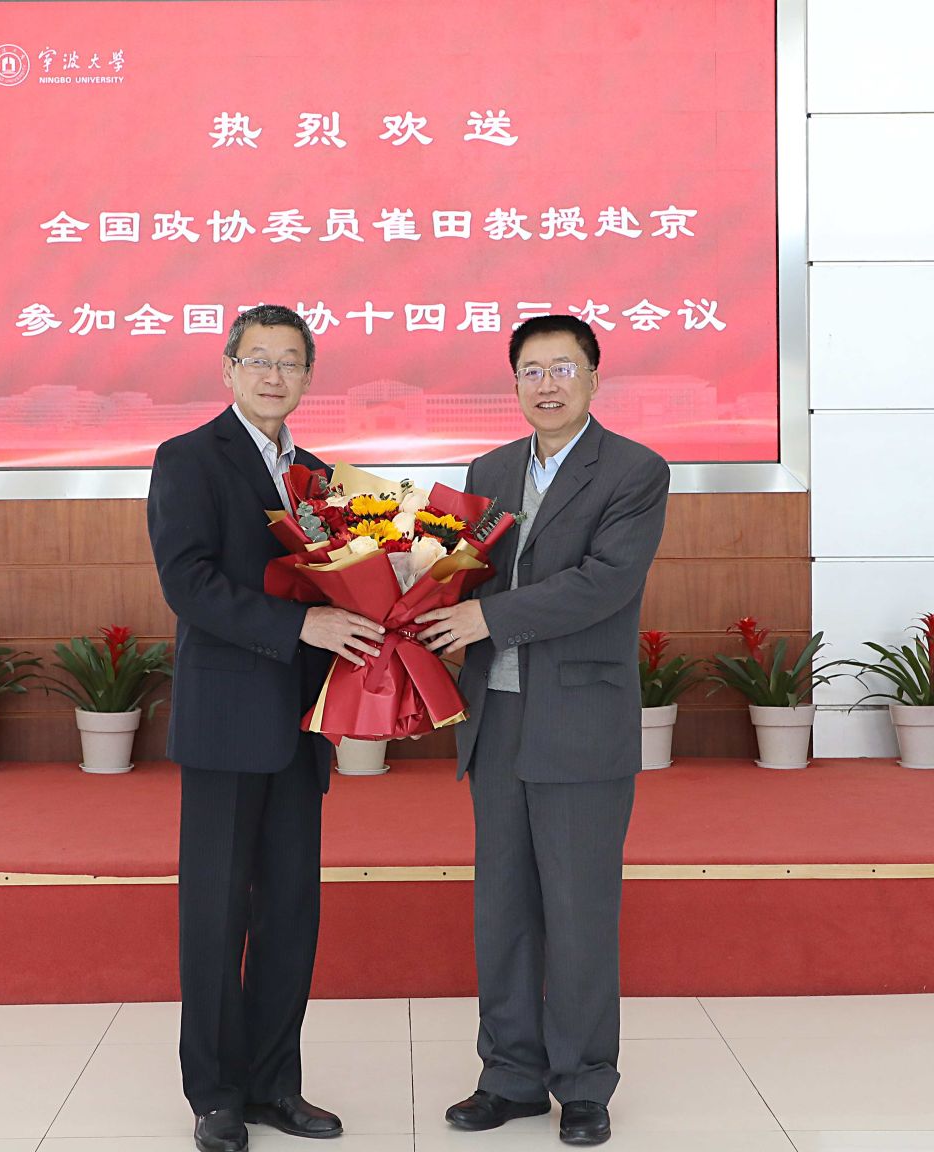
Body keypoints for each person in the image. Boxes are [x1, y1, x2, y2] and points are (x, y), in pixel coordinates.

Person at [416, 314, 670, 1147]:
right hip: (497, 717)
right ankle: (511, 1076)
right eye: (532, 370)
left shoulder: (635, 470)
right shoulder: (488, 471)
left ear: (594, 378)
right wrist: (411, 594)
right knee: (504, 910)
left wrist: (485, 618)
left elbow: (604, 582)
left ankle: (585, 1083)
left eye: (563, 368)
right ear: (515, 383)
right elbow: (458, 572)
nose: (547, 384)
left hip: (580, 719)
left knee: (579, 908)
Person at [147, 304, 385, 1152]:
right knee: (215, 914)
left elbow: (340, 584)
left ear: (308, 377)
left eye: (290, 361)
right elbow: (189, 583)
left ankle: (276, 1086)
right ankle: (215, 1094)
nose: (274, 374)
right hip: (225, 722)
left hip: (300, 722)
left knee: (290, 913)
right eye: (259, 359)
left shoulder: (320, 477)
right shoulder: (188, 458)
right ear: (229, 369)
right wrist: (300, 628)